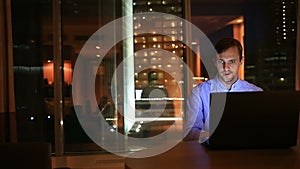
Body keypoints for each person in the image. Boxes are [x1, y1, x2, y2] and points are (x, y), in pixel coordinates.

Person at [183, 37, 263, 141]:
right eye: (221, 61)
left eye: (232, 61)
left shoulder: (256, 93)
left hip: (247, 154)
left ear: (241, 61)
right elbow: (188, 133)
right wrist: (216, 136)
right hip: (211, 155)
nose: (226, 67)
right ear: (214, 62)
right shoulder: (199, 93)